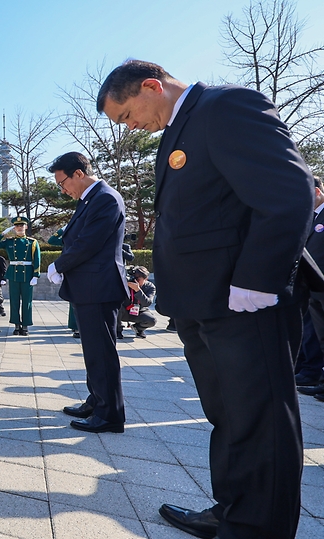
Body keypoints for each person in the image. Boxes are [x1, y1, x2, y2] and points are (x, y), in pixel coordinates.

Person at [98, 59, 313, 539]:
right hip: (201, 302)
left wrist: (259, 279)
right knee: (227, 414)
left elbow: (287, 190)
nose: (131, 128)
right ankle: (234, 510)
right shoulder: (178, 131)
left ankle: (260, 527)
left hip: (244, 299)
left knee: (259, 418)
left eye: (128, 115)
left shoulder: (225, 106)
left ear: (152, 85)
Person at [46, 152, 128, 435]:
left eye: (63, 182)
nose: (63, 189)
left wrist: (59, 265)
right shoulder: (90, 199)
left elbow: (87, 243)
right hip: (90, 287)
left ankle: (110, 415)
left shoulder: (105, 198)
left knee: (101, 352)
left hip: (99, 286)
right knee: (93, 350)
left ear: (78, 174)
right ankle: (98, 400)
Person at [0, 216, 40, 336]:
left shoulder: (32, 242)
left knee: (26, 301)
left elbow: (37, 259)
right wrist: (3, 233)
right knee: (14, 301)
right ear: (14, 228)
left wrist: (36, 275)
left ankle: (25, 326)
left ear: (26, 227)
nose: (19, 228)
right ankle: (16, 325)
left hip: (27, 274)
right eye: (17, 226)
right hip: (13, 273)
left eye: (22, 225)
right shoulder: (9, 241)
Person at [299, 176, 324, 393]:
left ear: (317, 192)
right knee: (315, 333)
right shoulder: (310, 216)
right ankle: (311, 374)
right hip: (312, 287)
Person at [48, 227, 79, 338]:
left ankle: (80, 326)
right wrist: (62, 229)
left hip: (83, 270)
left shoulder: (83, 237)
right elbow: (51, 240)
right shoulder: (67, 238)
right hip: (69, 271)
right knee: (73, 299)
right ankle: (75, 326)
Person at [117, 266, 157, 339]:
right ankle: (118, 330)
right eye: (134, 278)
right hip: (123, 310)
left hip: (139, 311)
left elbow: (147, 303)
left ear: (146, 279)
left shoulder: (150, 287)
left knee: (151, 320)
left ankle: (138, 329)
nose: (135, 281)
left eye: (138, 279)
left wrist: (138, 290)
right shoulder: (125, 284)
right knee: (116, 308)